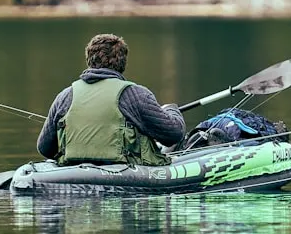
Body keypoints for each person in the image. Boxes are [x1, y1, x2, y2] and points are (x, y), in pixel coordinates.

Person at [37, 33, 185, 166]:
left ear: (89, 60)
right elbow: (174, 134)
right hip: (125, 178)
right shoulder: (136, 95)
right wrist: (171, 109)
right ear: (123, 63)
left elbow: (45, 148)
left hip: (73, 175)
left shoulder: (65, 96)